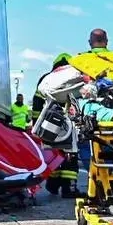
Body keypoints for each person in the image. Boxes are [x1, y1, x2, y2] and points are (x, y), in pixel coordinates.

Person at [38, 53, 79, 198]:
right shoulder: (73, 77)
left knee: (54, 155)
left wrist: (38, 126)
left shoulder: (46, 79)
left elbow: (37, 103)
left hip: (49, 125)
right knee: (70, 157)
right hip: (68, 126)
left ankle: (52, 186)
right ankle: (69, 189)